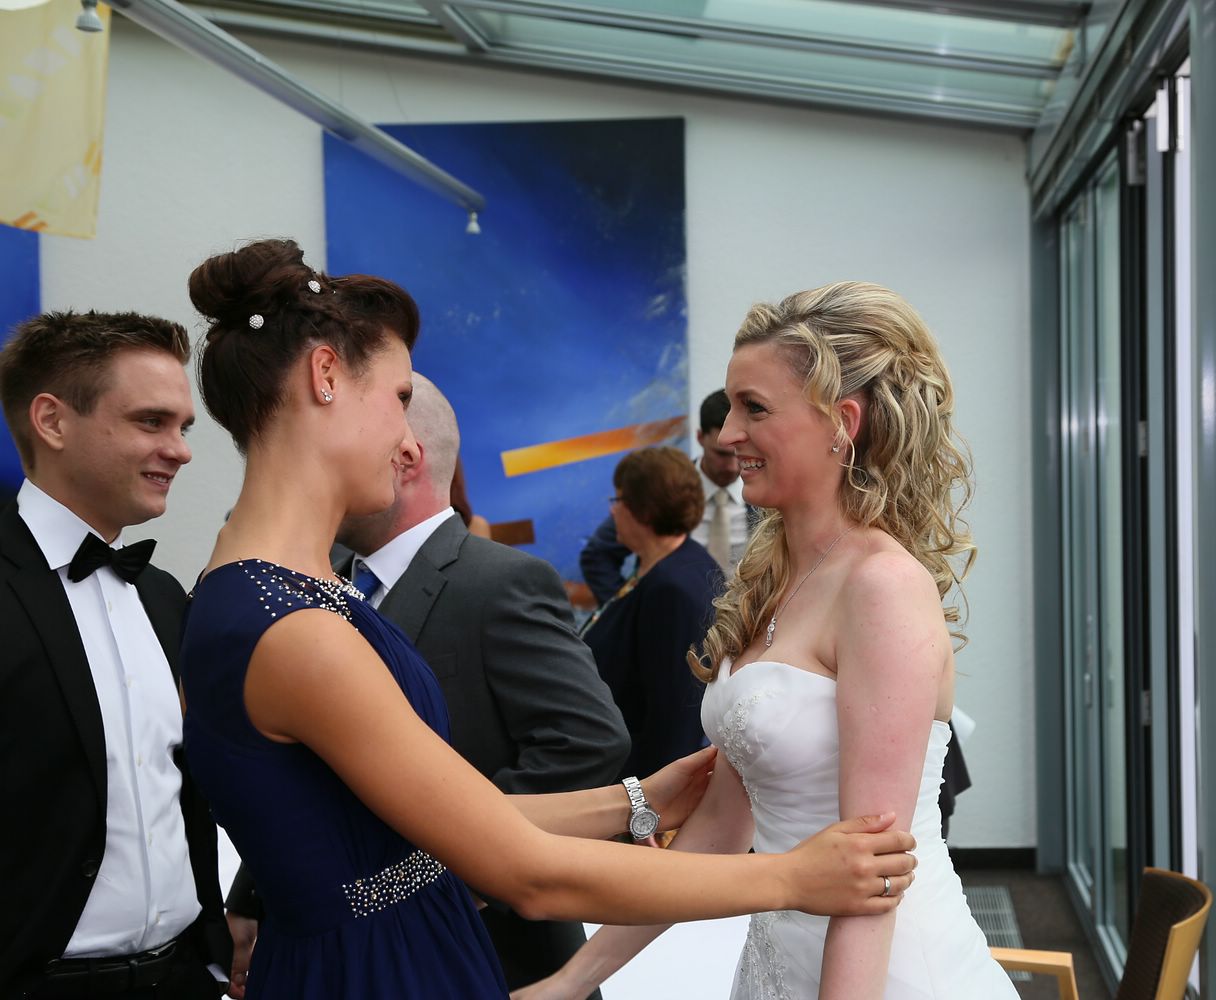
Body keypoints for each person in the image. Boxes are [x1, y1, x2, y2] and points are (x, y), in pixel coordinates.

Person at [177, 239, 918, 1000]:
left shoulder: (273, 594)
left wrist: (637, 802)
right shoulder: (295, 627)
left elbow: (426, 829)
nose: (409, 440)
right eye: (399, 398)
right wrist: (792, 876)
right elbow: (524, 872)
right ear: (326, 376)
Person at [517, 282, 1014, 999]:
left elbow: (871, 880)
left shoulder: (881, 586)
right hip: (777, 956)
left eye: (754, 408)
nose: (726, 436)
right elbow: (723, 820)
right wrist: (571, 980)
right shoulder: (778, 575)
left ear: (841, 422)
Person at [223, 360, 632, 996]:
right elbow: (309, 770)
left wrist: (466, 864)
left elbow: (586, 741)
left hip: (492, 954)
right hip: (334, 952)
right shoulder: (319, 581)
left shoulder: (500, 582)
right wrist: (253, 894)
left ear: (405, 457)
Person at [0, 311, 232, 997]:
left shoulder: (164, 597)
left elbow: (185, 793)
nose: (180, 451)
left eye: (183, 427)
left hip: (185, 978)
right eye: (151, 421)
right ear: (52, 421)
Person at [581, 446, 722, 780]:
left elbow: (674, 715)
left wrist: (644, 799)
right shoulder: (667, 564)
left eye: (619, 500)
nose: (613, 510)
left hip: (642, 782)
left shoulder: (672, 588)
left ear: (643, 511)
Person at [579, 390, 751, 603]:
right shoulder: (665, 487)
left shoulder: (767, 496)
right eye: (721, 454)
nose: (732, 466)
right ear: (699, 437)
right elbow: (598, 555)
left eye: (739, 453)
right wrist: (630, 608)